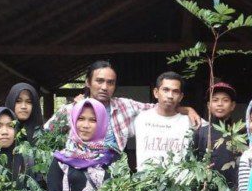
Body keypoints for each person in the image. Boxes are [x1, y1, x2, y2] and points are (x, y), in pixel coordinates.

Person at [42, 60, 201, 152]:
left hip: (114, 181)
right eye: (100, 81)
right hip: (78, 179)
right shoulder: (70, 110)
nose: (105, 87)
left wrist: (186, 109)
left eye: (110, 83)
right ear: (88, 82)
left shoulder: (125, 106)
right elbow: (45, 137)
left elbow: (159, 107)